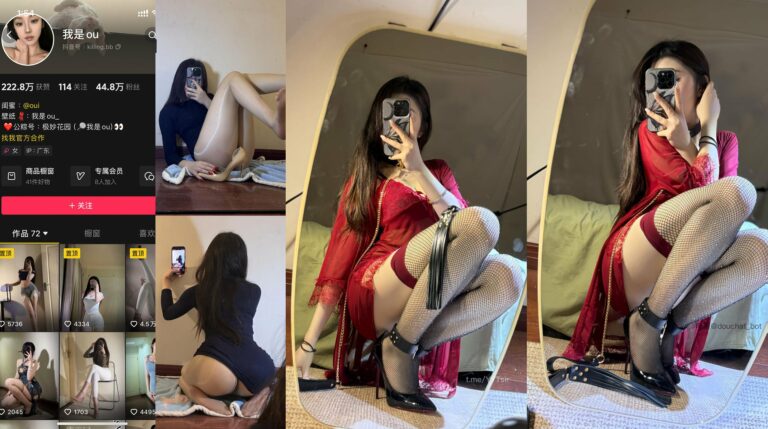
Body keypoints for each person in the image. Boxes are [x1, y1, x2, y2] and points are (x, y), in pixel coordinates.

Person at [294, 76, 525, 412]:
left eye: (407, 114)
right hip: (378, 289)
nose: (397, 122)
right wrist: (308, 344)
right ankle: (398, 347)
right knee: (484, 220)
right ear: (378, 122)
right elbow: (339, 260)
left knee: (509, 276)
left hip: (426, 295)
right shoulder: (368, 177)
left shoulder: (438, 172)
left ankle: (401, 345)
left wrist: (418, 171)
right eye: (390, 113)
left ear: (424, 125)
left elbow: (468, 227)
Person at [563, 40, 768, 396]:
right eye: (657, 79)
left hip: (690, 265)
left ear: (703, 87)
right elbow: (704, 189)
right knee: (740, 190)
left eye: (673, 78)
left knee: (762, 248)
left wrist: (707, 128)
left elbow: (723, 212)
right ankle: (646, 322)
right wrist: (691, 138)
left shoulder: (725, 141)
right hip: (643, 250)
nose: (663, 89)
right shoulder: (652, 130)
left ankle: (669, 326)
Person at [161, 232, 274, 417]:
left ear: (211, 260)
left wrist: (166, 281)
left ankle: (200, 398)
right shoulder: (254, 291)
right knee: (269, 381)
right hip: (259, 368)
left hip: (216, 371)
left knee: (183, 374)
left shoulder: (198, 291)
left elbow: (168, 313)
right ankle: (261, 394)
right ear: (241, 260)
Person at [159, 59, 286, 181]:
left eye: (198, 76)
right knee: (233, 78)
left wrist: (205, 100)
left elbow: (223, 121)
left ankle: (290, 81)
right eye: (190, 76)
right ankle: (273, 120)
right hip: (208, 158)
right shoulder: (169, 111)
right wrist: (190, 165)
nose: (195, 80)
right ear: (181, 79)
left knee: (242, 82)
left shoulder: (210, 99)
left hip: (242, 155)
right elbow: (170, 155)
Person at [71, 338, 113, 416]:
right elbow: (85, 355)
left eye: (101, 344)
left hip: (107, 374)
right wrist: (91, 347)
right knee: (94, 375)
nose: (99, 346)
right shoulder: (95, 353)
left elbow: (104, 364)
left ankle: (82, 393)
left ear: (104, 345)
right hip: (98, 373)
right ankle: (96, 408)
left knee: (94, 366)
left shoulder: (106, 353)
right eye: (98, 344)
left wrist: (103, 353)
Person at [1, 342, 42, 416]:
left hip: (32, 388)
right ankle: (26, 403)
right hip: (21, 386)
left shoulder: (35, 363)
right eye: (26, 350)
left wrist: (30, 362)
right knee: (3, 404)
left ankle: (28, 405)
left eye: (29, 350)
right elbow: (17, 376)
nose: (27, 352)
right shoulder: (19, 361)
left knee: (7, 381)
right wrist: (10, 390)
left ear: (32, 352)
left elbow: (29, 378)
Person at [6, 256, 40, 331]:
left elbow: (28, 280)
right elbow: (19, 282)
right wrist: (10, 284)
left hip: (33, 290)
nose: (28, 263)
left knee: (35, 313)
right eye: (27, 261)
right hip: (24, 292)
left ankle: (36, 331)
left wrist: (30, 271)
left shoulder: (33, 272)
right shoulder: (21, 271)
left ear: (32, 263)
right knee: (31, 314)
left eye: (30, 262)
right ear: (25, 262)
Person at [145, 338, 156, 402]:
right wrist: (148, 391)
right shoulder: (146, 358)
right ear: (152, 345)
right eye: (156, 344)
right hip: (153, 390)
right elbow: (146, 375)